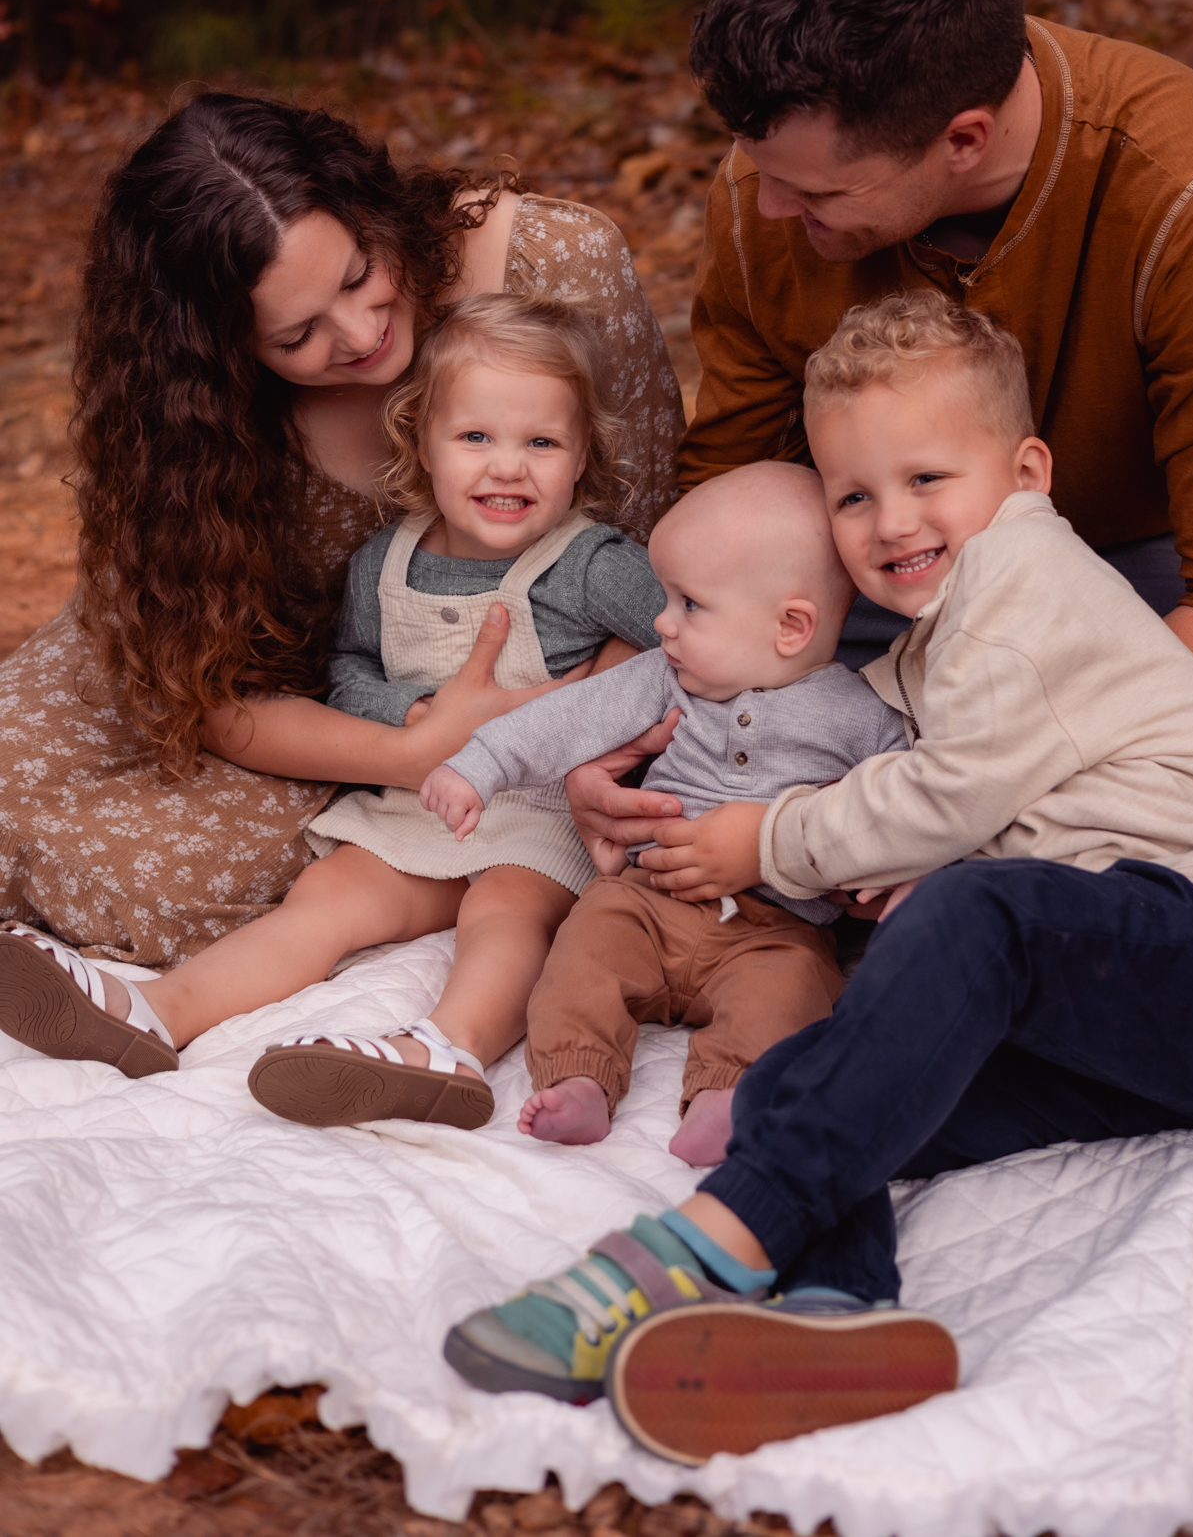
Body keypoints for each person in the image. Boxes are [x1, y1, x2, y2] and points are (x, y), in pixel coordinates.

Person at [443, 294, 1193, 1469]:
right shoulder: (938, 637)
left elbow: (948, 793)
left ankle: (697, 1249)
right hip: (1139, 1031)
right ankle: (840, 1317)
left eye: (928, 478)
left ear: (1024, 472)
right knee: (799, 1082)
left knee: (977, 913)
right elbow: (873, 758)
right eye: (853, 494)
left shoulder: (1027, 587)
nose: (890, 521)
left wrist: (762, 840)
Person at [562, 0, 1193, 868]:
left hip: (1119, 596)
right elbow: (728, 514)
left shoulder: (1191, 196)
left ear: (961, 140)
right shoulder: (773, 183)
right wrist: (622, 740)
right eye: (762, 177)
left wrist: (941, 804)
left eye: (814, 193)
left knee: (1125, 847)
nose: (767, 213)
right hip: (867, 584)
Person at [0, 94, 684, 971]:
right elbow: (207, 689)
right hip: (284, 699)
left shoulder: (557, 262)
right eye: (297, 334)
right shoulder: (186, 420)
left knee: (174, 882)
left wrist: (576, 742)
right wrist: (414, 750)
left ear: (373, 211)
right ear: (222, 351)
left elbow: (653, 560)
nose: (361, 334)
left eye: (360, 274)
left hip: (546, 711)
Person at [0, 294, 672, 1121]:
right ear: (421, 444)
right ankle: (158, 1012)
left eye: (542, 442)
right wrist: (408, 712)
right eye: (475, 438)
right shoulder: (384, 562)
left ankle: (448, 1049)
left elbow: (684, 642)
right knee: (328, 897)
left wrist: (599, 720)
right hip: (422, 803)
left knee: (506, 911)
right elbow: (350, 667)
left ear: (582, 457)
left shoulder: (592, 563)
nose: (508, 466)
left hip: (541, 808)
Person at [421, 462, 904, 1165]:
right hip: (650, 899)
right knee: (584, 948)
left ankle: (730, 1095)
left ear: (791, 626)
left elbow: (902, 809)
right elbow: (566, 719)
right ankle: (579, 1076)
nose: (661, 623)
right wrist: (479, 765)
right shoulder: (665, 677)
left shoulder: (865, 718)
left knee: (794, 993)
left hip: (779, 928)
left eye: (689, 605)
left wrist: (892, 876)